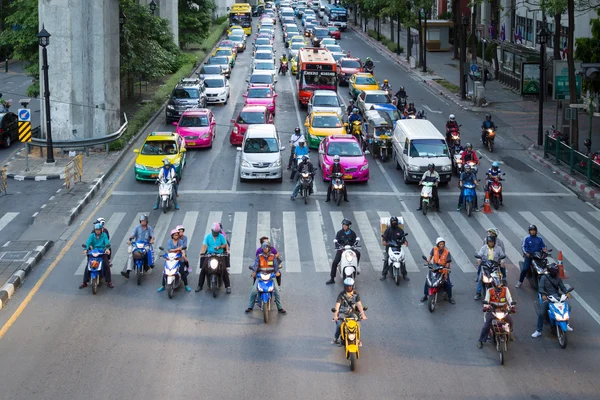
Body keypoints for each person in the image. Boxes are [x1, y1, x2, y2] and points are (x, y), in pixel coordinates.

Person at [532, 264, 573, 337]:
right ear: (550, 272)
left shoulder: (558, 279)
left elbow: (562, 287)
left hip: (557, 297)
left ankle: (566, 323)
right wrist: (543, 295)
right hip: (547, 297)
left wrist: (567, 293)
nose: (556, 273)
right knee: (541, 313)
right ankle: (538, 330)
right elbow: (541, 287)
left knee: (568, 307)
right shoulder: (544, 278)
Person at [477, 271, 515, 348]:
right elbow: (486, 301)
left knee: (510, 321)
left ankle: (509, 333)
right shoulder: (489, 291)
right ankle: (481, 340)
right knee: (486, 325)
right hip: (492, 311)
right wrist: (486, 307)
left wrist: (512, 306)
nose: (498, 289)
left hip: (503, 310)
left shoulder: (505, 289)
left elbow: (510, 299)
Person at [245, 242, 287, 314]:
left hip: (271, 276)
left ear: (269, 249)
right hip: (260, 276)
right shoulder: (259, 256)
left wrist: (277, 272)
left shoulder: (273, 256)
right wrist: (254, 272)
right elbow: (256, 265)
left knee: (277, 291)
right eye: (263, 249)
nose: (265, 250)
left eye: (266, 248)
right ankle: (250, 307)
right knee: (254, 291)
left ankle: (280, 308)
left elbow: (276, 266)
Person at [196, 222, 231, 294]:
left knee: (224, 270)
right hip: (209, 255)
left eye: (217, 232)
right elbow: (204, 246)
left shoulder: (221, 236)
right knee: (203, 270)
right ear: (212, 230)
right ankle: (199, 285)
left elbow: (225, 244)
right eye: (215, 232)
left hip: (220, 255)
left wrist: (220, 247)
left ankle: (228, 286)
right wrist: (202, 253)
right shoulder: (207, 237)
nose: (216, 233)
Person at [331, 278, 367, 345]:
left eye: (350, 286)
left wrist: (363, 315)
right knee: (339, 325)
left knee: (358, 325)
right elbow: (337, 305)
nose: (349, 287)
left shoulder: (356, 294)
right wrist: (335, 316)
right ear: (345, 286)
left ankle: (358, 339)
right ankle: (335, 338)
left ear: (353, 286)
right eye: (347, 286)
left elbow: (359, 304)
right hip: (343, 313)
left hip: (352, 313)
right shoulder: (341, 295)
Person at [326, 219, 361, 284]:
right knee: (335, 262)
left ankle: (357, 266)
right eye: (344, 225)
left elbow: (355, 242)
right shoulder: (339, 233)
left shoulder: (352, 233)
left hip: (350, 250)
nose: (344, 226)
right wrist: (337, 245)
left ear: (349, 226)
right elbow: (336, 241)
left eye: (346, 225)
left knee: (358, 253)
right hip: (342, 250)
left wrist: (355, 245)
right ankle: (332, 278)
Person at [421, 237, 455, 304]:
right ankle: (425, 295)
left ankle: (450, 297)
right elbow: (430, 256)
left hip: (443, 270)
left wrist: (446, 273)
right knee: (427, 281)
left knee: (447, 283)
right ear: (437, 245)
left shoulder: (447, 252)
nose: (442, 245)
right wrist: (428, 260)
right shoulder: (434, 249)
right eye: (440, 244)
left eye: (443, 244)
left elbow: (448, 263)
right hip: (434, 268)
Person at [80, 223, 113, 289]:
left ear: (101, 230)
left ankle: (109, 282)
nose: (97, 231)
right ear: (94, 230)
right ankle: (84, 282)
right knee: (88, 265)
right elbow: (88, 242)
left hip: (102, 252)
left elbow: (107, 242)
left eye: (99, 230)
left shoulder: (104, 235)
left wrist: (107, 249)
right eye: (96, 230)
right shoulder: (92, 236)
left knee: (106, 264)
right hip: (93, 252)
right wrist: (86, 249)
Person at [474, 235, 506, 300]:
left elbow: (502, 256)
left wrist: (502, 262)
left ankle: (500, 291)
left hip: (495, 266)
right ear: (487, 242)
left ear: (494, 242)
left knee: (498, 279)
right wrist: (479, 260)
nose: (491, 243)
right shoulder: (483, 248)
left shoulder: (498, 248)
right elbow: (479, 255)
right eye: (489, 242)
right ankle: (478, 293)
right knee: (480, 278)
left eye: (492, 242)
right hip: (485, 266)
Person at [381, 216, 409, 281]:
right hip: (390, 247)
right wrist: (384, 241)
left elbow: (403, 237)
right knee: (386, 259)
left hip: (398, 247)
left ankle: (404, 274)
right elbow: (384, 238)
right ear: (391, 223)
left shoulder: (400, 230)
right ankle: (384, 274)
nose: (394, 223)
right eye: (393, 222)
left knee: (402, 260)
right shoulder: (388, 230)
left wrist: (405, 242)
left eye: (395, 222)